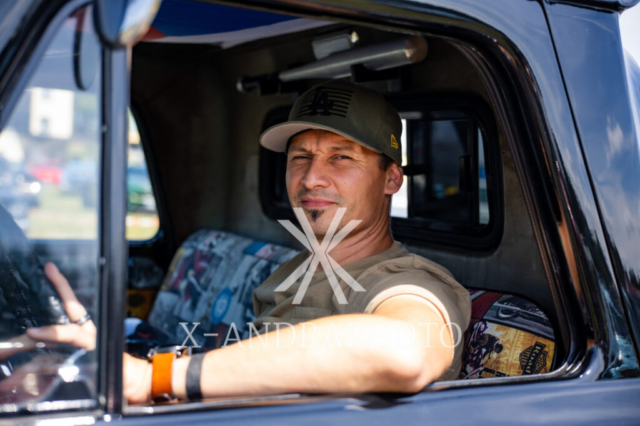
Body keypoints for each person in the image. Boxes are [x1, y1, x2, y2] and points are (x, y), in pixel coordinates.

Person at [9, 80, 471, 403]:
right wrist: (111, 358)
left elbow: (404, 352)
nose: (312, 177)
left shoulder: (410, 283)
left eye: (341, 158)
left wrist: (157, 378)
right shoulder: (292, 272)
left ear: (391, 179)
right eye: (301, 157)